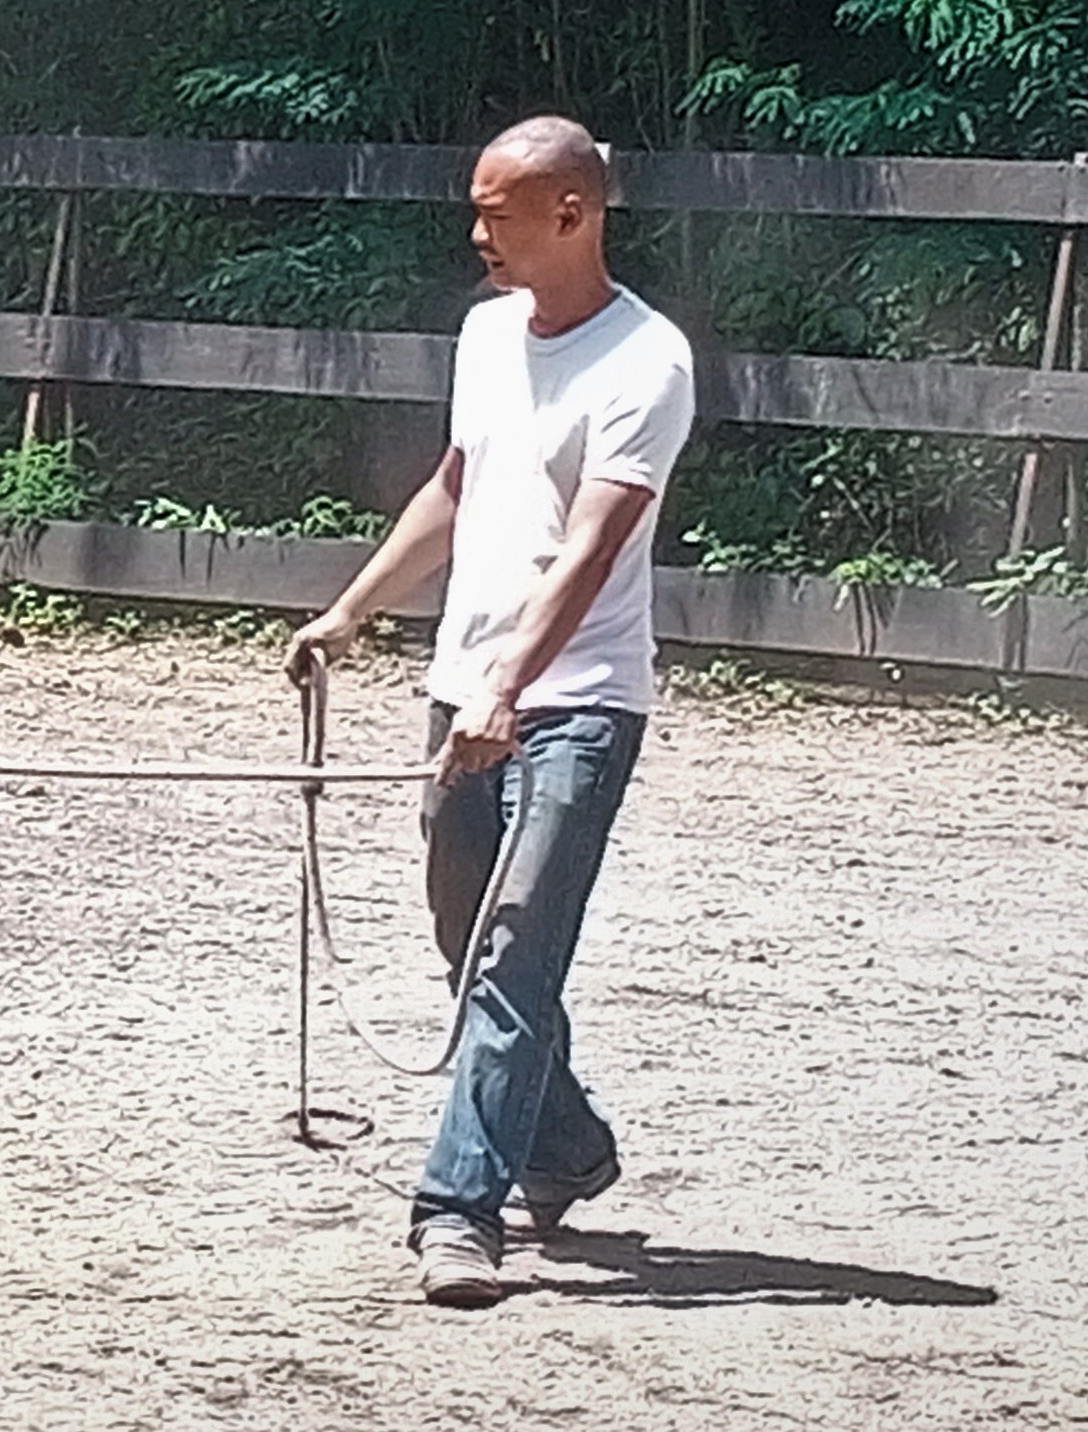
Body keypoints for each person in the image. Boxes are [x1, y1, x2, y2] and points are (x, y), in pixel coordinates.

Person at [283, 115, 695, 1309]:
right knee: (463, 941)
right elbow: (459, 485)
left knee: (515, 954)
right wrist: (350, 613)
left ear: (571, 213)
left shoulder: (645, 361)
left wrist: (510, 690)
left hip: (573, 707)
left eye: (498, 211)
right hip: (460, 692)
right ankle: (563, 1145)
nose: (476, 234)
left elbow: (589, 547)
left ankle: (457, 1211)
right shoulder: (482, 335)